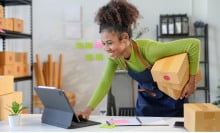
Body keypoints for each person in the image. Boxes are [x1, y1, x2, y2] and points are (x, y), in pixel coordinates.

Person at [78, 0, 200, 118]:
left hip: (171, 102)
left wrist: (191, 81)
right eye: (103, 43)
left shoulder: (150, 50)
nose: (106, 48)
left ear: (125, 38)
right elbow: (104, 83)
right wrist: (88, 110)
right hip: (145, 104)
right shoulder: (115, 59)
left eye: (109, 43)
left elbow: (193, 44)